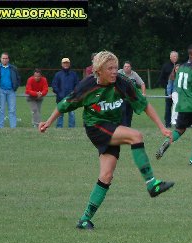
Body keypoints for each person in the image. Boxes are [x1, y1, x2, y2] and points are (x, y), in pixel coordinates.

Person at [39, 51, 174, 230]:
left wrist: (162, 127)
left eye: (115, 68)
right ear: (98, 70)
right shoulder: (86, 85)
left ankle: (84, 219)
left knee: (106, 176)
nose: (114, 72)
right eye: (109, 68)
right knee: (136, 136)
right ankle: (151, 184)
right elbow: (64, 104)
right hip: (96, 128)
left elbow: (144, 103)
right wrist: (47, 122)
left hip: (112, 126)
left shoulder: (121, 83)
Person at [0, 52, 21, 128]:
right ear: (0, 59)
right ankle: (0, 127)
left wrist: (15, 87)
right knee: (1, 110)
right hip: (0, 90)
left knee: (12, 110)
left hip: (11, 91)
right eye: (3, 58)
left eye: (6, 58)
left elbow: (18, 79)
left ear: (8, 59)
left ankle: (13, 127)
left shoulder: (13, 68)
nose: (4, 60)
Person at [51, 57, 79, 128]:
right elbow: (54, 85)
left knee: (72, 114)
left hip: (71, 98)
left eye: (67, 63)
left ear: (69, 64)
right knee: (60, 114)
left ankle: (72, 128)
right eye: (64, 63)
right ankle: (59, 127)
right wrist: (59, 93)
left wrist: (74, 94)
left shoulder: (74, 74)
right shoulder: (58, 75)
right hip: (60, 98)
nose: (66, 64)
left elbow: (77, 85)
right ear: (61, 64)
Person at [118, 61, 146, 127]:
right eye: (125, 66)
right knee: (123, 111)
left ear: (131, 67)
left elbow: (142, 84)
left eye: (128, 66)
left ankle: (128, 127)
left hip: (131, 98)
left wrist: (143, 93)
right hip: (122, 97)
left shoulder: (134, 74)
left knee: (129, 114)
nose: (126, 68)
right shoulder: (119, 73)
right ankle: (122, 127)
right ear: (123, 67)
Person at [158, 51, 179, 128]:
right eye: (173, 56)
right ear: (170, 57)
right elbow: (161, 78)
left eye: (176, 56)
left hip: (178, 91)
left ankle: (178, 122)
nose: (175, 58)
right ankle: (167, 123)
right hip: (169, 91)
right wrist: (167, 89)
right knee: (168, 107)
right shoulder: (166, 66)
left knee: (178, 106)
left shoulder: (180, 66)